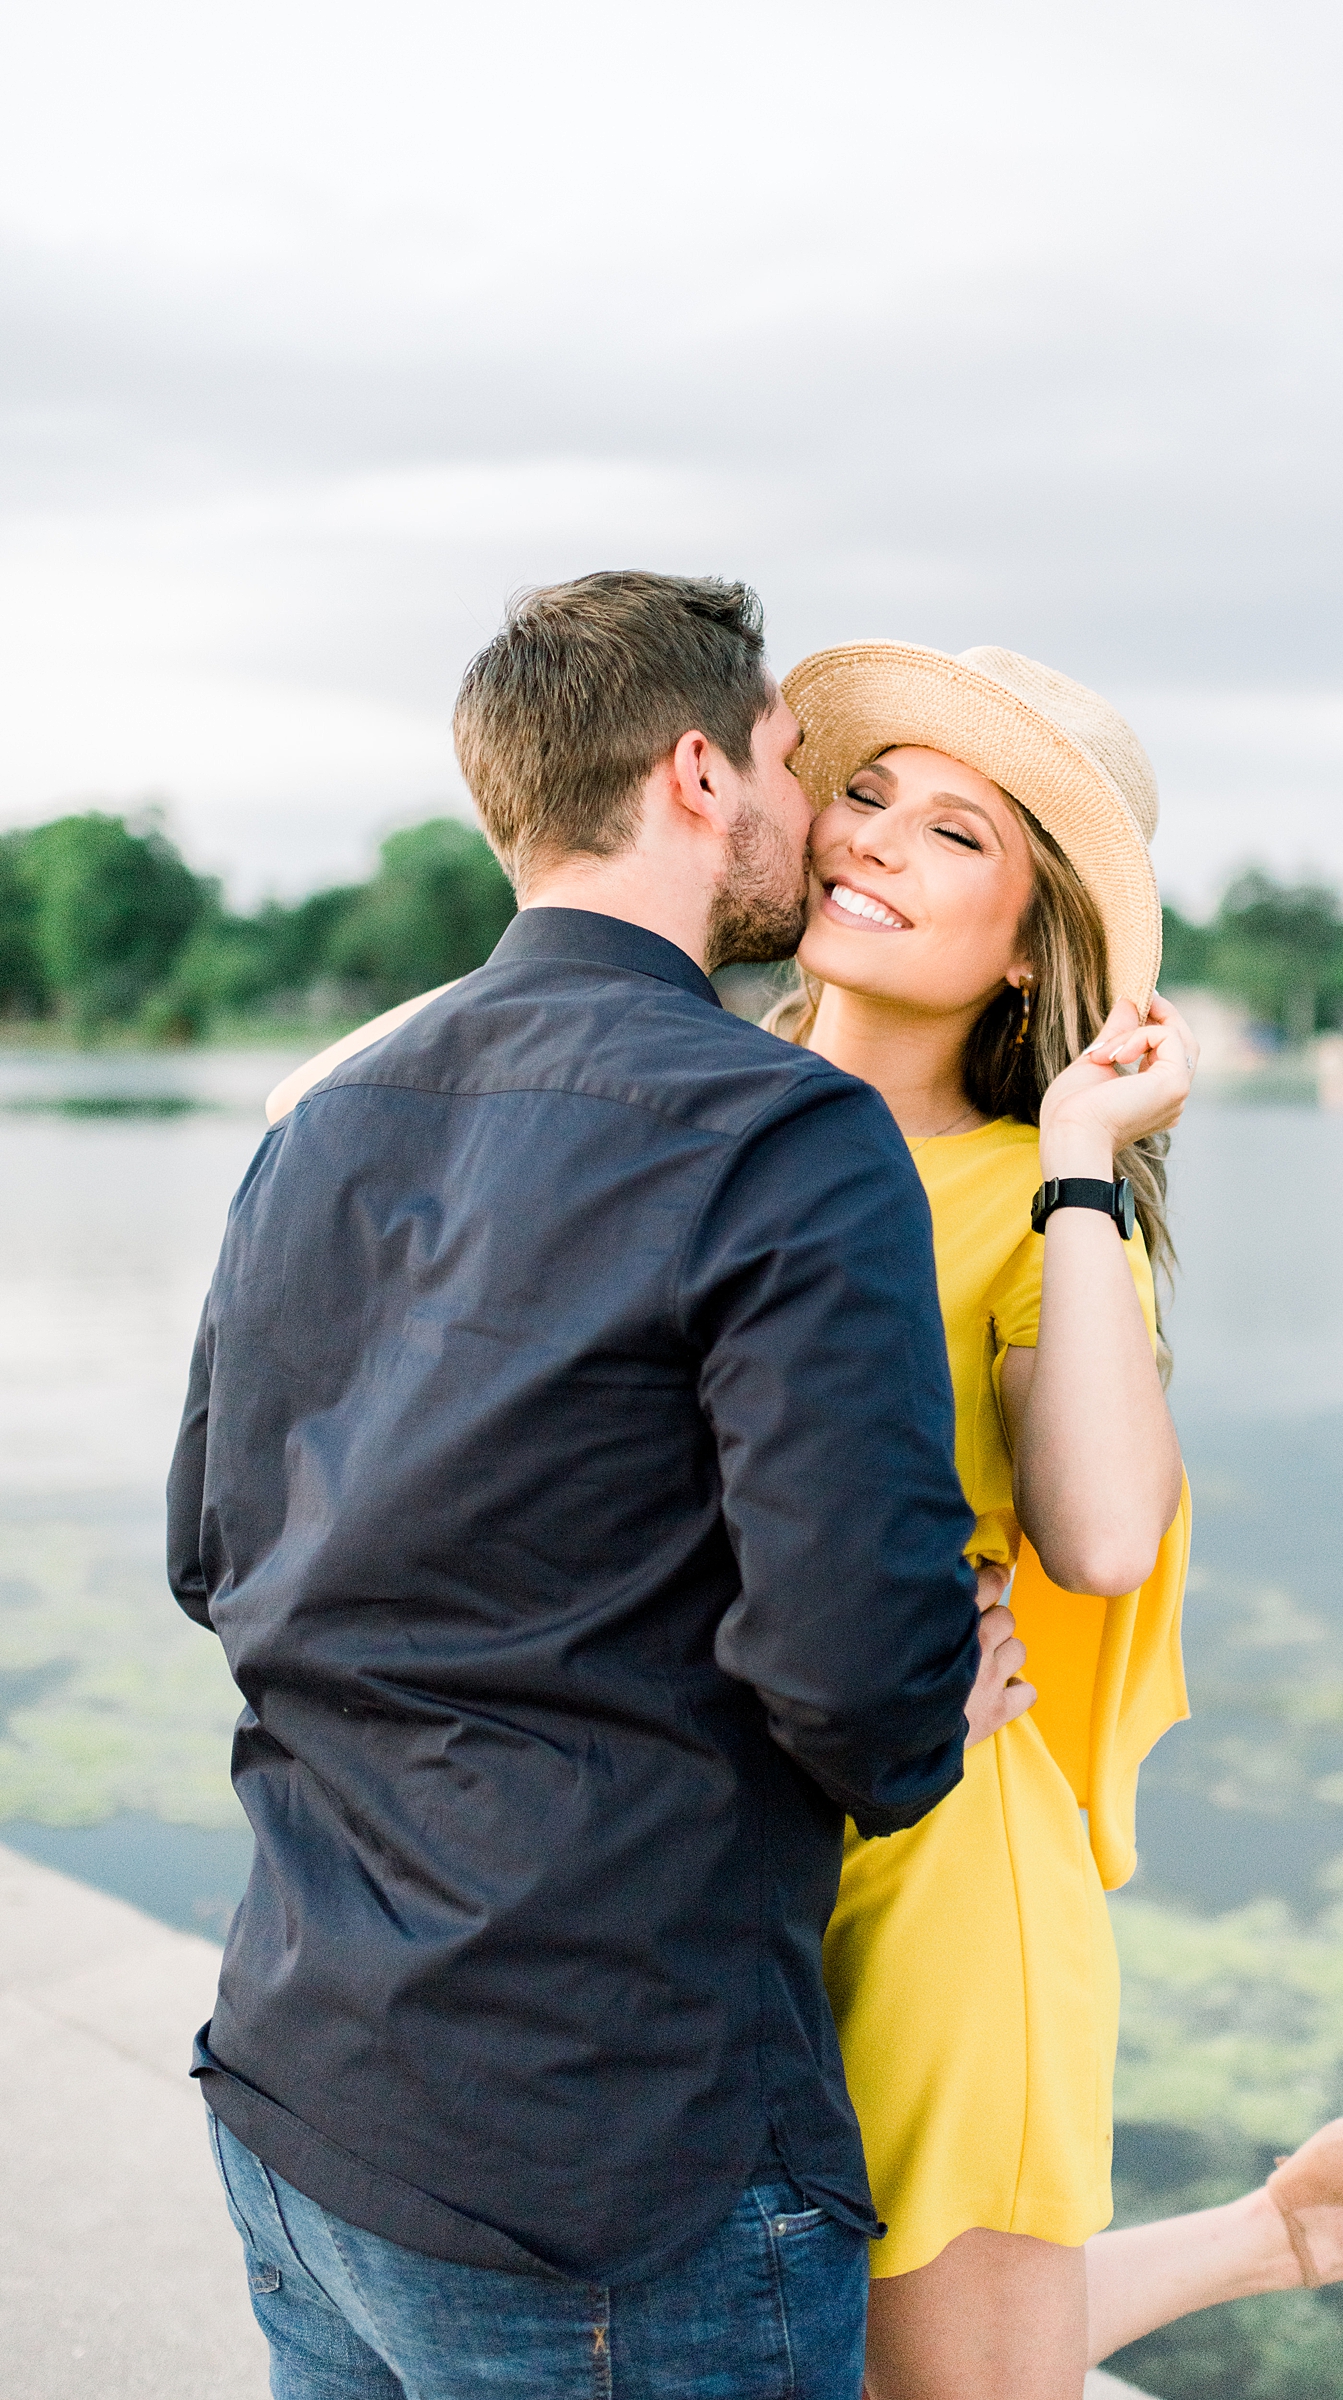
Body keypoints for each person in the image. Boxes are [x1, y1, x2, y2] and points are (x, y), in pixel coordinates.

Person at [274, 626, 1343, 2400]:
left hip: (934, 1846)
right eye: (859, 798)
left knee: (945, 2381)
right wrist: (562, 959)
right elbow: (316, 1107)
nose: (873, 840)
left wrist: (1086, 1163)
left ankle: (1298, 2226)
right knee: (818, 2340)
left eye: (955, 835)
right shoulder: (675, 1098)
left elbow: (1100, 1537)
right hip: (688, 1844)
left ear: (1029, 954)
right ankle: (1297, 2224)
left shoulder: (1022, 1197)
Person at [168, 572, 1033, 2400]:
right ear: (703, 775)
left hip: (301, 2092)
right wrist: (925, 1703)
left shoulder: (327, 1114)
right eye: (803, 767)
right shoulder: (785, 1132)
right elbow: (859, 1685)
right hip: (613, 2169)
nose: (820, 824)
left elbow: (209, 1554)